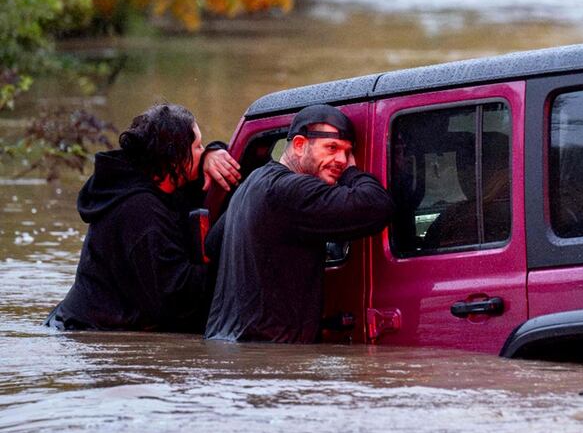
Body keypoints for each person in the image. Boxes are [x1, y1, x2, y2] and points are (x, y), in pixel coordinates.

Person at [205, 104, 393, 344]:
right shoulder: (291, 191)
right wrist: (351, 173)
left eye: (347, 152)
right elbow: (376, 206)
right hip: (271, 358)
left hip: (228, 347)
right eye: (331, 148)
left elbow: (212, 245)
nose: (341, 159)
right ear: (299, 145)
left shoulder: (251, 185)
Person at [45, 103, 241, 332]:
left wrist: (211, 153)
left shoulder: (163, 181)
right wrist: (233, 262)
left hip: (99, 324)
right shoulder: (140, 213)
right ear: (174, 156)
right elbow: (176, 298)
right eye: (197, 147)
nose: (202, 151)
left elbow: (235, 167)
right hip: (90, 331)